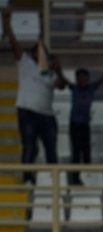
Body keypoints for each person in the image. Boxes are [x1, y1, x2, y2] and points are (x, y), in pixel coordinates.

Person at [3, 8, 65, 185]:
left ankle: (54, 181)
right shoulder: (26, 63)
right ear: (33, 54)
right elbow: (14, 43)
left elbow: (61, 85)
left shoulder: (49, 73)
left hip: (47, 115)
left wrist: (59, 68)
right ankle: (28, 179)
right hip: (28, 112)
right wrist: (7, 24)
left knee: (51, 150)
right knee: (29, 147)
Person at [58, 66, 103, 185]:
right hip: (74, 125)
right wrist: (57, 70)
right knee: (76, 152)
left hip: (85, 125)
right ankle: (75, 178)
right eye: (80, 78)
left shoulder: (91, 88)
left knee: (86, 152)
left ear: (88, 79)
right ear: (77, 79)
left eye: (85, 78)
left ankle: (88, 177)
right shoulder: (74, 88)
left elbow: (102, 79)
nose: (83, 80)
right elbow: (64, 79)